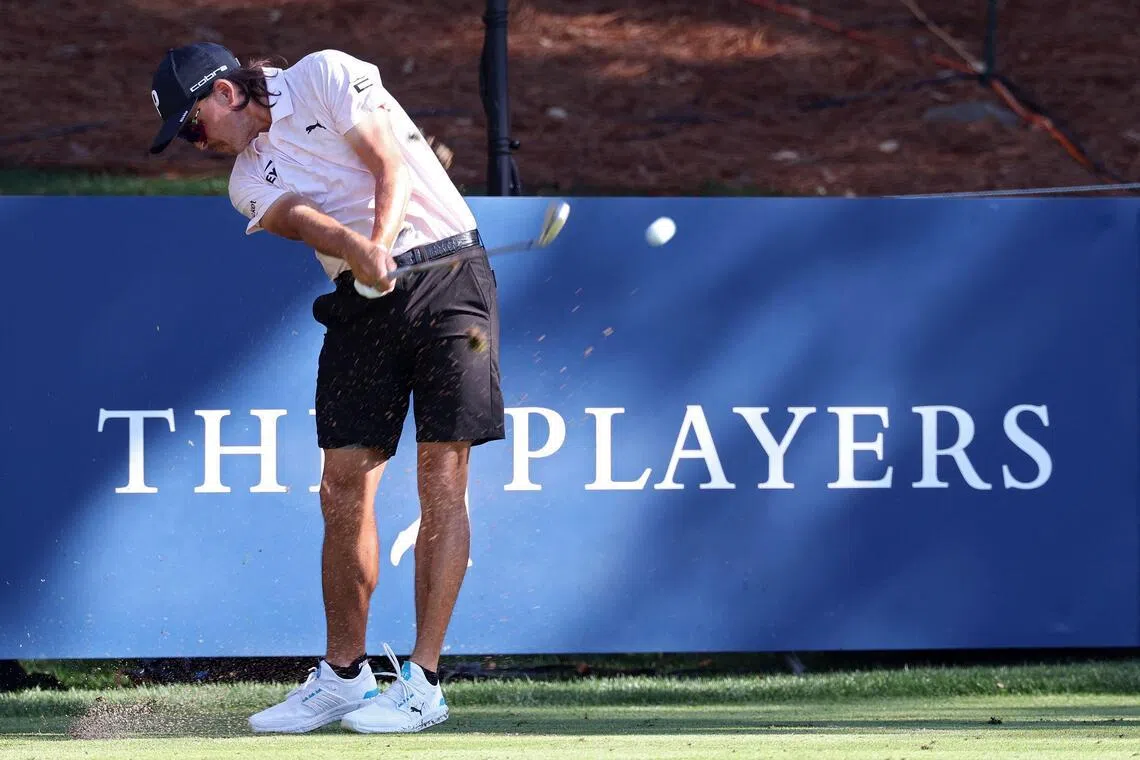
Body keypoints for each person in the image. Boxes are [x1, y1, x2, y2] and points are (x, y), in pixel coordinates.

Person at [147, 42, 505, 734]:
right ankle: (344, 676)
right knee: (341, 486)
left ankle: (423, 682)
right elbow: (301, 221)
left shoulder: (324, 74)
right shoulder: (244, 179)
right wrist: (362, 253)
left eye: (191, 125)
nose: (196, 143)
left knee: (442, 476)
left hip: (450, 276)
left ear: (223, 92)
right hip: (359, 298)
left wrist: (380, 240)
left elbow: (388, 163)